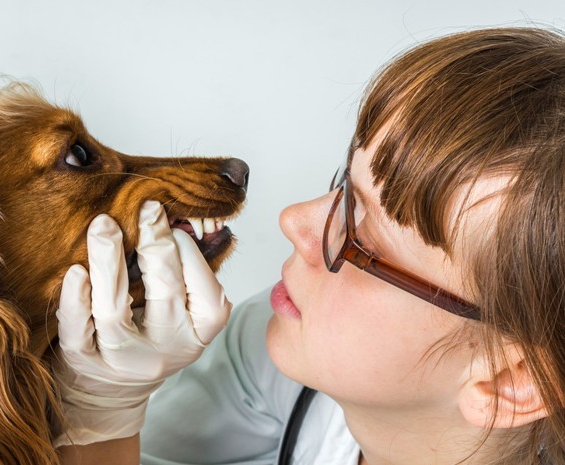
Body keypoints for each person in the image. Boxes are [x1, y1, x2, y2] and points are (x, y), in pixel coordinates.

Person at [52, 26, 565, 465]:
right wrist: (103, 416)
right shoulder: (274, 354)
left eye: (362, 239)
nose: (293, 219)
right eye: (346, 185)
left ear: (510, 381)